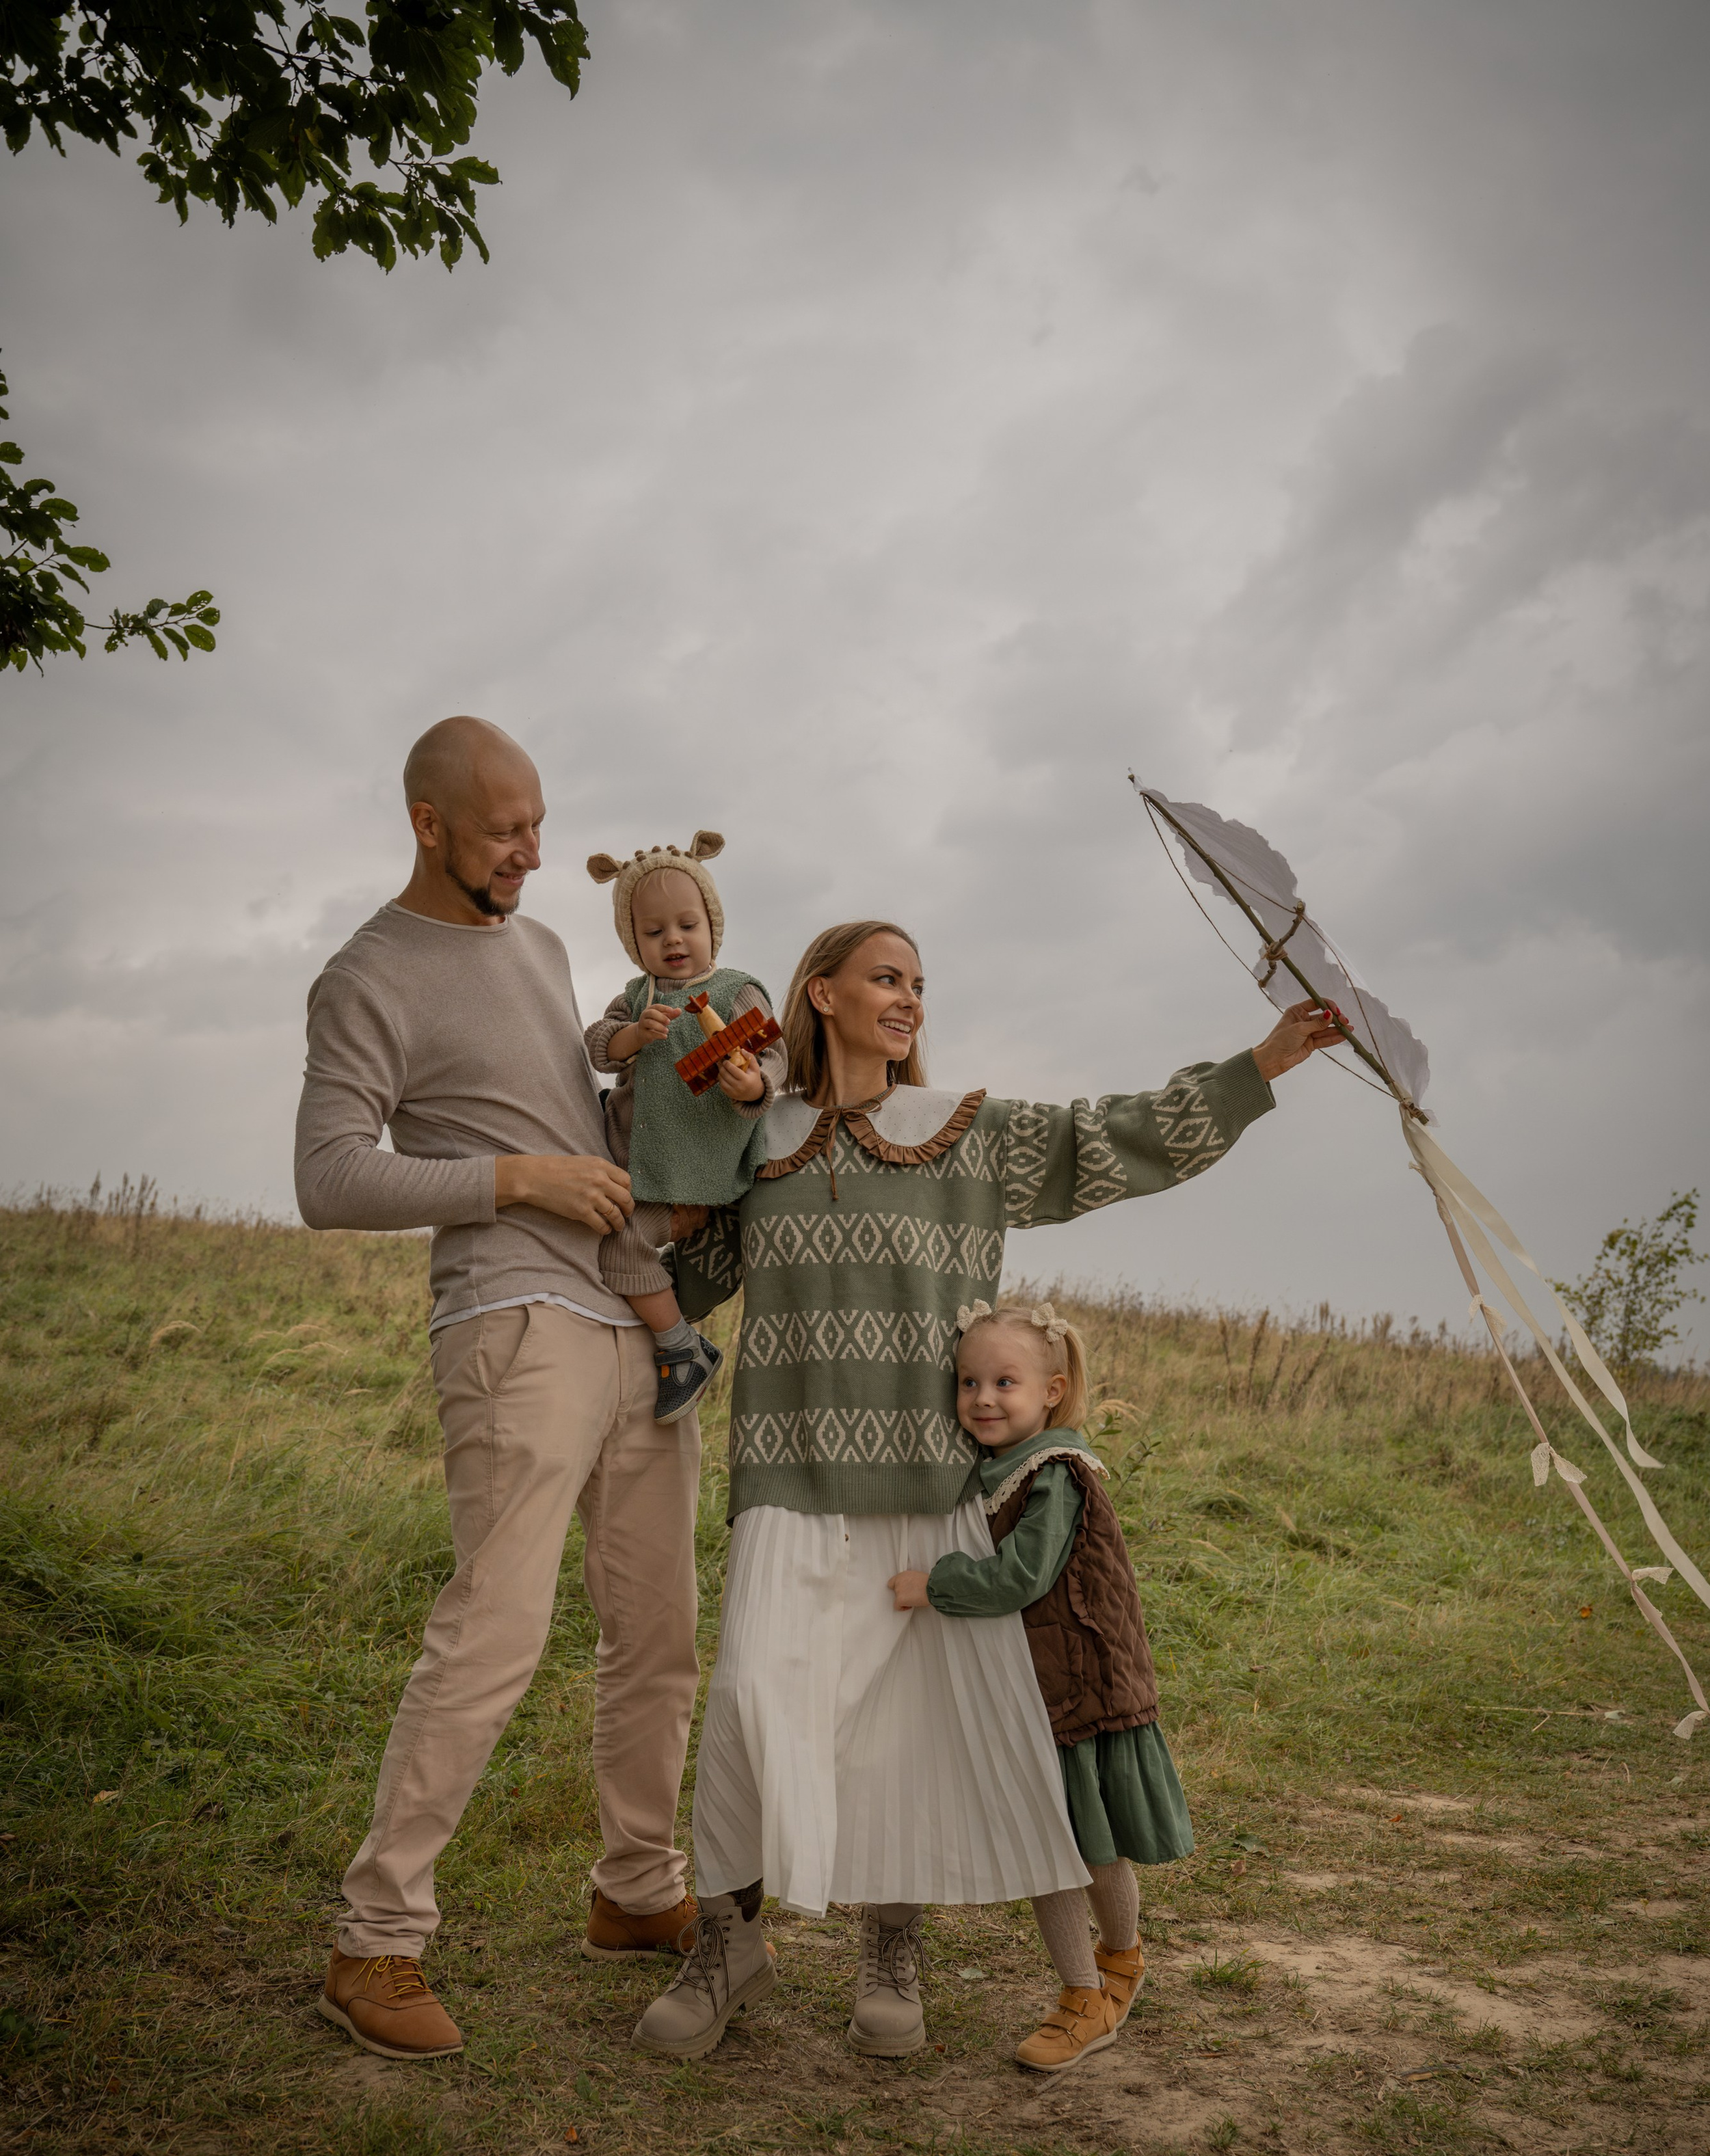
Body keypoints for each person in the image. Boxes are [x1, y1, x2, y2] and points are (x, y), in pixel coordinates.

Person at [628, 917, 1342, 2060]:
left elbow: (1114, 1137)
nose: (909, 998)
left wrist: (1258, 1068)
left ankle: (890, 1944)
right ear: (818, 994)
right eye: (885, 977)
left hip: (927, 1479)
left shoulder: (968, 1134)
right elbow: (681, 1277)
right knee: (753, 1710)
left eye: (918, 982)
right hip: (790, 1473)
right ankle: (730, 1944)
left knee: (897, 1728)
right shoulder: (756, 1138)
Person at [294, 716, 708, 2063]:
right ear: (430, 825)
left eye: (538, 823)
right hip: (510, 1318)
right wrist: (514, 1179)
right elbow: (330, 1177)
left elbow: (575, 1100)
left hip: (630, 1320)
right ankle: (377, 1943)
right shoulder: (365, 978)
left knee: (655, 1634)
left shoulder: (534, 945)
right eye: (507, 831)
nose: (534, 853)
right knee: (495, 1633)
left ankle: (634, 1891)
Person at [892, 1301, 1190, 2072]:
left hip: (1081, 1688)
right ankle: (1087, 1983)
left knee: (1083, 1845)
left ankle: (1108, 1974)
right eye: (967, 1382)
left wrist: (937, 1585)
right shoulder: (998, 1469)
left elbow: (1023, 1575)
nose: (982, 1398)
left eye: (1004, 1382)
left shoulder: (1054, 1473)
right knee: (1048, 1843)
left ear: (1052, 1391)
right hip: (1038, 1695)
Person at [580, 831, 785, 1424]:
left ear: (711, 927)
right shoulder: (637, 998)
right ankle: (666, 1327)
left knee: (621, 1248)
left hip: (697, 1167)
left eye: (687, 925)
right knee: (610, 1243)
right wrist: (634, 1036)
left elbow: (774, 1059)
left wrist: (753, 1085)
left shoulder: (734, 991)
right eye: (653, 931)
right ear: (633, 941)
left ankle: (681, 1349)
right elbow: (599, 1047)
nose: (673, 940)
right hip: (638, 1160)